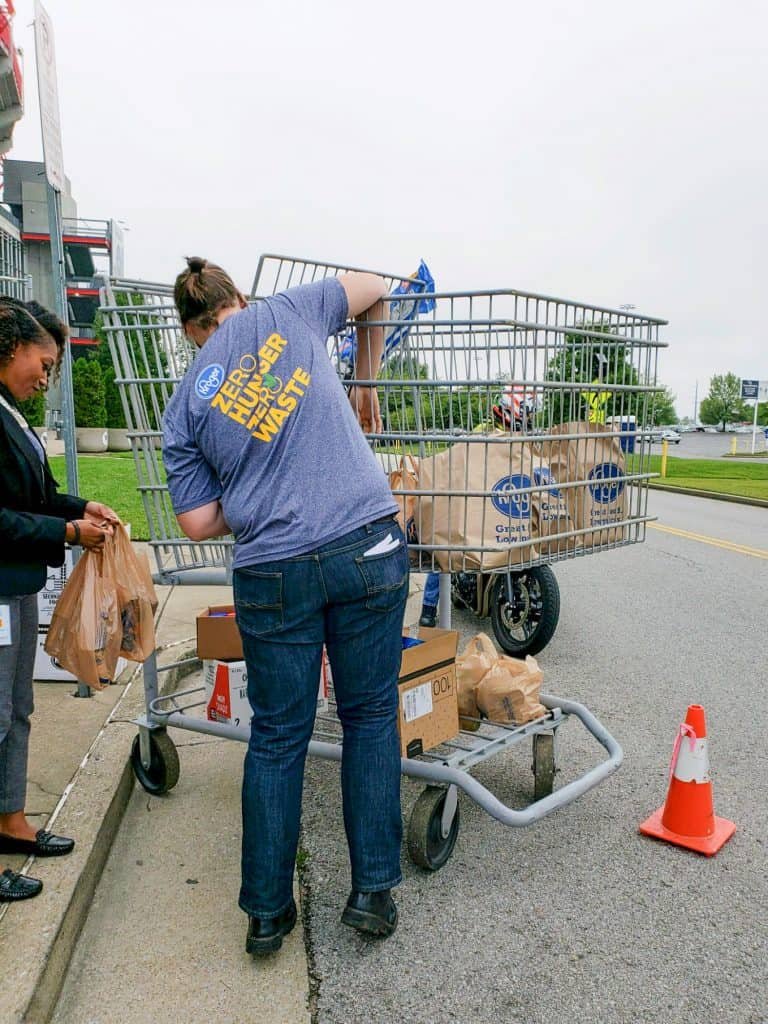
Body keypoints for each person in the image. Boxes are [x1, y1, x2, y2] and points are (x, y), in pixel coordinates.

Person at [164, 257, 409, 957]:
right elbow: (376, 287)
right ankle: (371, 894)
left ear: (192, 333)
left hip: (272, 571)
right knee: (367, 716)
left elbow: (199, 521)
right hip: (364, 543)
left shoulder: (184, 405)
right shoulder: (289, 311)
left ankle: (267, 914)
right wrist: (364, 384)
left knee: (277, 737)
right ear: (238, 296)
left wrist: (252, 483)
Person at [0, 299, 119, 903]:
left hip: (14, 588)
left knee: (15, 708)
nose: (45, 378)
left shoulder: (9, 413)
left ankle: (10, 821)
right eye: (42, 363)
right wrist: (68, 534)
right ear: (12, 348)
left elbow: (37, 493)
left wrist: (80, 509)